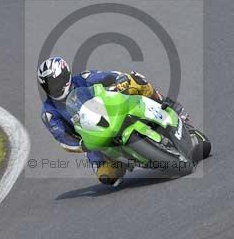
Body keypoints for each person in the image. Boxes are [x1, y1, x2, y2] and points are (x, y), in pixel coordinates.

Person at [37, 56, 171, 187]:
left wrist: (119, 80)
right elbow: (62, 137)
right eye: (49, 86)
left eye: (56, 82)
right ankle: (126, 159)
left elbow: (109, 76)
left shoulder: (84, 78)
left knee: (135, 80)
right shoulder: (49, 112)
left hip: (112, 111)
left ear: (66, 76)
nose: (54, 88)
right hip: (95, 142)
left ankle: (165, 105)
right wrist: (81, 144)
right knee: (107, 176)